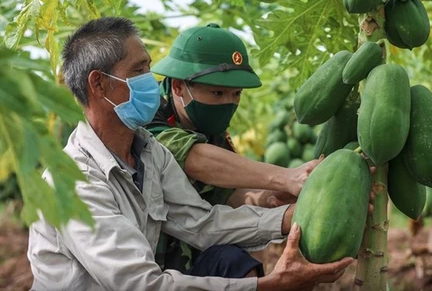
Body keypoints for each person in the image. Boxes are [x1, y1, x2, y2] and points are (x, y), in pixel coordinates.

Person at [27, 17, 353, 290]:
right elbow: (142, 285)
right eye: (138, 71)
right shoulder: (72, 183)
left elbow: (201, 224)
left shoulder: (149, 154)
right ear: (99, 85)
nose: (150, 82)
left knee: (228, 258)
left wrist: (288, 218)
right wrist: (268, 286)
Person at [146, 23, 322, 272]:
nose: (228, 103)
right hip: (145, 271)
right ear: (177, 86)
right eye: (217, 93)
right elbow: (192, 157)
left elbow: (225, 196)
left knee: (236, 260)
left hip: (196, 254)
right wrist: (284, 177)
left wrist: (266, 198)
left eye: (236, 94)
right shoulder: (148, 113)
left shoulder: (212, 132)